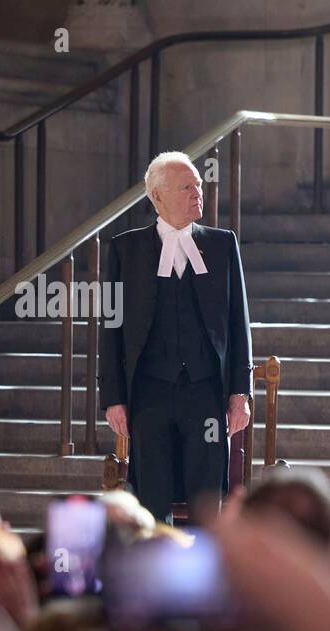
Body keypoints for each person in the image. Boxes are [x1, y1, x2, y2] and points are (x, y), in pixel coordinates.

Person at [100, 151, 254, 525]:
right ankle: (156, 573)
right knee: (152, 497)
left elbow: (238, 322)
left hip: (204, 391)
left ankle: (204, 577)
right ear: (157, 196)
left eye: (199, 185)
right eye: (187, 187)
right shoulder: (126, 249)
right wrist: (113, 398)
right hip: (149, 392)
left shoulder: (222, 244)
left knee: (206, 498)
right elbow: (111, 327)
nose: (197, 192)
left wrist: (240, 393)